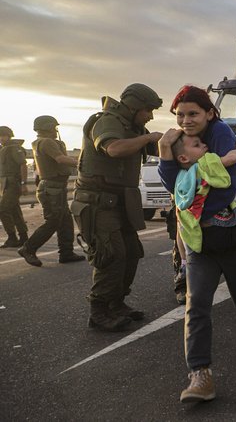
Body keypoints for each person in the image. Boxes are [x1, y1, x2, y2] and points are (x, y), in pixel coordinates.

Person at [158, 85, 236, 404]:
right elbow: (175, 190)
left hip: (234, 235)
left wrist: (191, 186)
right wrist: (166, 155)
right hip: (200, 241)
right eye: (180, 115)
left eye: (193, 113)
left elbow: (224, 187)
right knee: (197, 303)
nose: (186, 120)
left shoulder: (221, 134)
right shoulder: (176, 139)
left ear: (209, 113)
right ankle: (200, 375)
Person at [72, 83, 163, 332]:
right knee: (111, 254)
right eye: (147, 110)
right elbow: (113, 148)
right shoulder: (106, 121)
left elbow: (163, 150)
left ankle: (116, 302)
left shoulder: (133, 127)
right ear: (134, 107)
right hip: (98, 202)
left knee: (131, 252)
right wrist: (148, 137)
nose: (150, 116)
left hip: (122, 201)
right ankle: (99, 310)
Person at [171, 133, 236, 271]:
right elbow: (232, 158)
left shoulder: (180, 176)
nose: (204, 145)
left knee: (181, 225)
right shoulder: (203, 165)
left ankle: (184, 261)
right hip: (220, 224)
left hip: (192, 222)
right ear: (183, 157)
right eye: (197, 145)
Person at [18, 116, 85, 267]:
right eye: (54, 127)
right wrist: (83, 162)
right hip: (52, 188)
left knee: (65, 220)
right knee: (54, 221)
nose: (56, 130)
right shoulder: (47, 142)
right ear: (47, 127)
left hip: (54, 187)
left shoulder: (42, 142)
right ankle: (28, 248)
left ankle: (66, 252)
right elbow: (60, 159)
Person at [0, 126, 29, 248]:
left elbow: (23, 165)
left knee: (3, 209)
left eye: (2, 136)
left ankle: (12, 237)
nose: (1, 139)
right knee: (14, 211)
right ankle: (23, 237)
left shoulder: (14, 148)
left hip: (14, 183)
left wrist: (24, 183)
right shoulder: (4, 149)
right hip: (6, 184)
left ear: (8, 135)